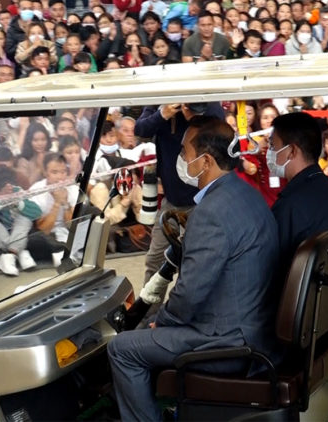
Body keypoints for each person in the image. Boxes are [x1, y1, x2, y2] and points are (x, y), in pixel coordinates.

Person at [108, 116, 280, 421]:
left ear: (206, 161)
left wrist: (162, 322)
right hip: (250, 326)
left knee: (122, 348)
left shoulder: (210, 213)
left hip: (225, 340)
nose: (182, 159)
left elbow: (188, 295)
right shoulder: (247, 194)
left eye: (185, 152)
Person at [135, 101, 224, 285]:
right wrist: (162, 114)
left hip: (202, 200)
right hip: (172, 200)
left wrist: (196, 119)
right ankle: (148, 302)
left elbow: (222, 133)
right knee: (154, 259)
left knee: (194, 262)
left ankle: (187, 301)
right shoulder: (160, 101)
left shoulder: (207, 100)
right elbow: (140, 129)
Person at [269, 112, 328, 286]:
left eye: (273, 146)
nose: (269, 153)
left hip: (299, 293)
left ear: (291, 151)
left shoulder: (289, 207)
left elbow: (271, 269)